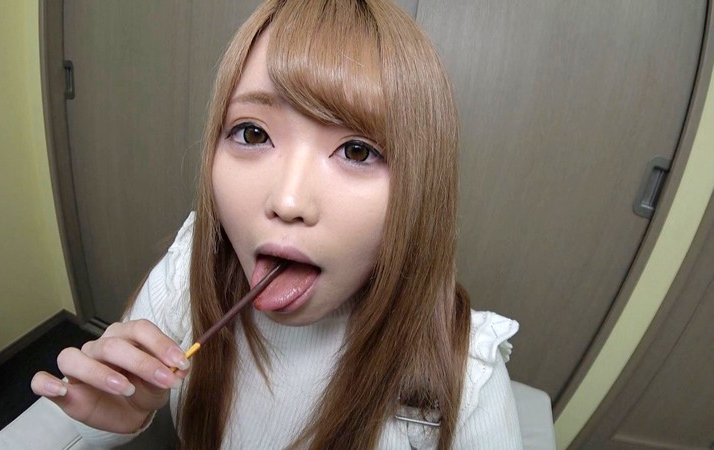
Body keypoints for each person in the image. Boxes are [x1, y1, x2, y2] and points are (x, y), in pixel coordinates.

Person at [31, 0, 523, 448]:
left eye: (357, 151)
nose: (287, 201)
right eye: (252, 133)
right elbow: (118, 399)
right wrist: (119, 413)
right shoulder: (188, 273)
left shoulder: (467, 381)